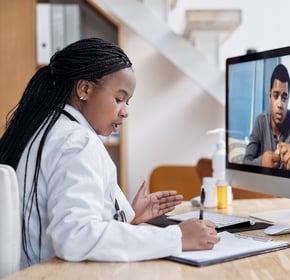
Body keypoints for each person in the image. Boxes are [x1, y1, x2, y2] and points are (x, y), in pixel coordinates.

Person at [0, 38, 220, 269]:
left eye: (127, 102)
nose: (124, 112)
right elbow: (76, 236)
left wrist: (129, 216)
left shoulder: (46, 128)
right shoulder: (77, 142)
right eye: (119, 99)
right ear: (84, 89)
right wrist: (177, 237)